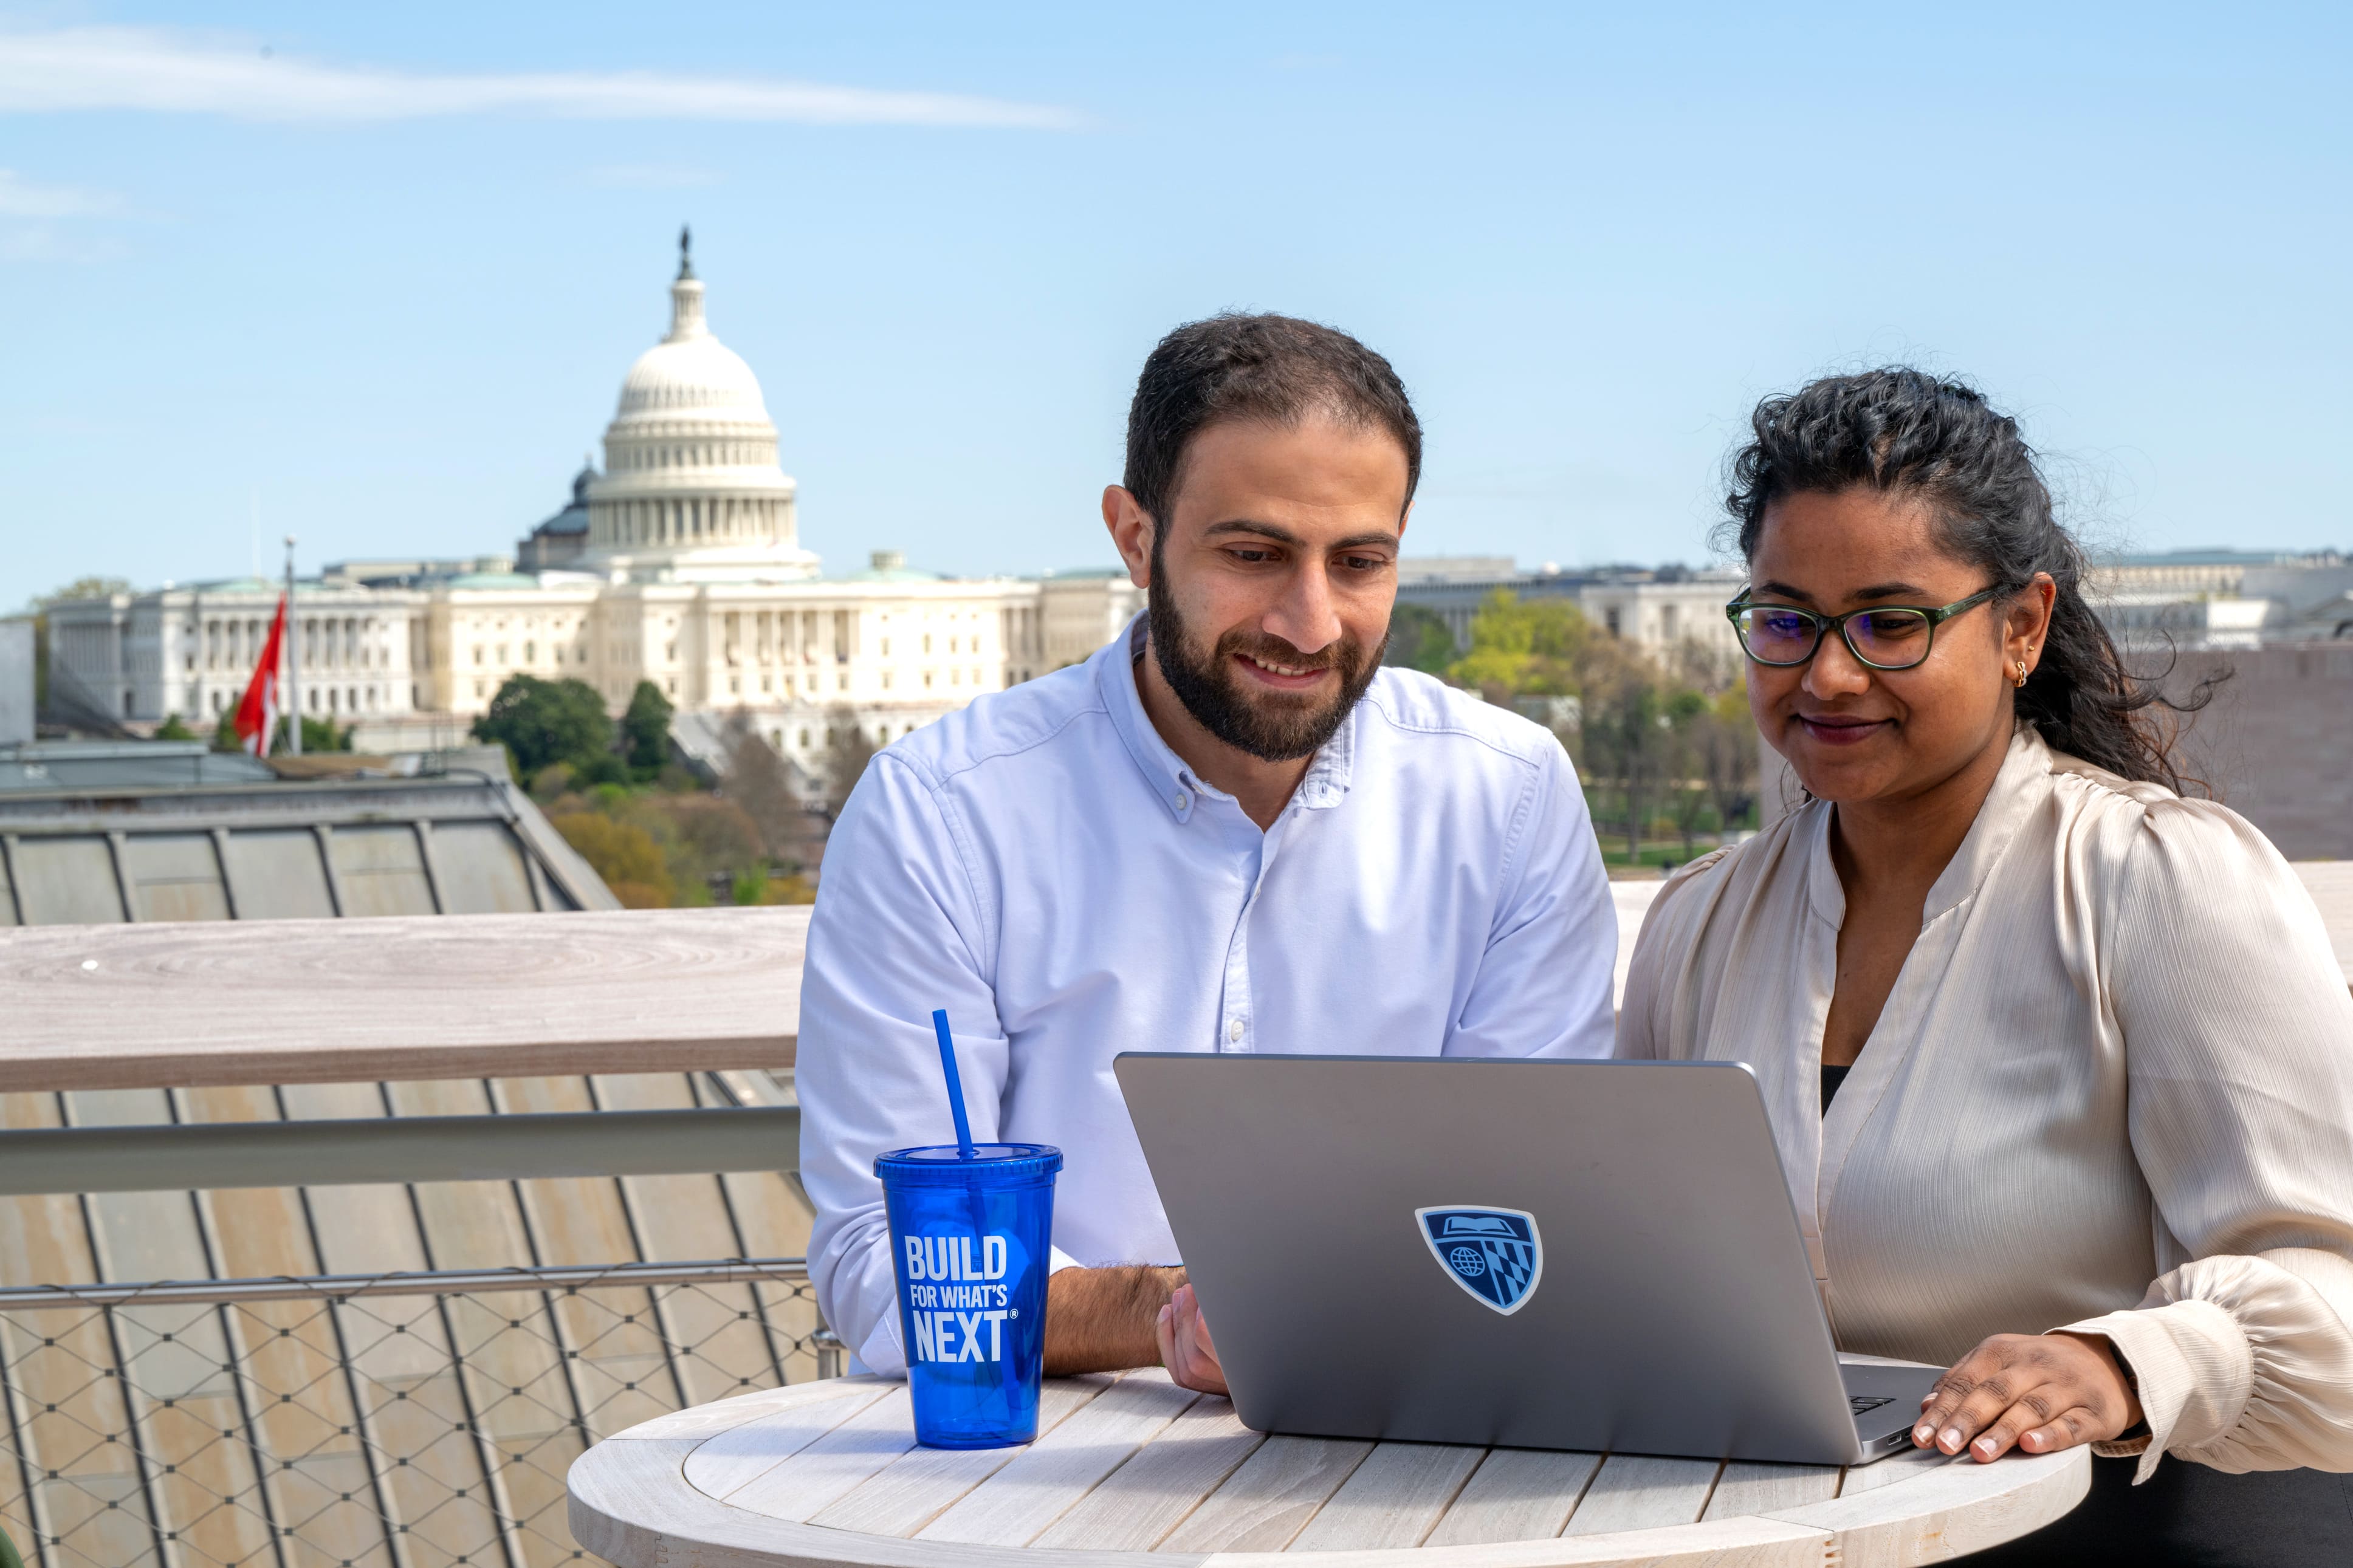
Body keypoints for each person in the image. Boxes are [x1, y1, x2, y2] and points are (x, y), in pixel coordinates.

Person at [799, 313, 1619, 1386]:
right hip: (1027, 1477)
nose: (1311, 621)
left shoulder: (1508, 796)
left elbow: (1533, 1208)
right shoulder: (941, 814)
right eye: (1254, 554)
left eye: (1360, 560)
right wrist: (1174, 1312)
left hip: (1399, 1444)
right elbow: (884, 1256)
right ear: (1134, 536)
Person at [1619, 368, 2353, 1563]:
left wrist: (2121, 1361)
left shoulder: (2157, 884)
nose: (1829, 675)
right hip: (1781, 1535)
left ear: (2020, 626)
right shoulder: (1696, 926)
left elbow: (2335, 1285)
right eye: (1787, 619)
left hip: (2124, 1525)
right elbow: (1626, 1280)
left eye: (1891, 622)